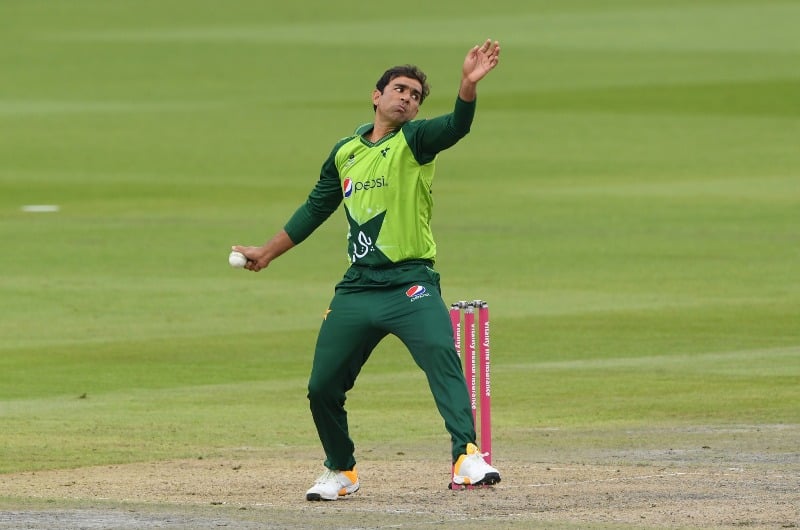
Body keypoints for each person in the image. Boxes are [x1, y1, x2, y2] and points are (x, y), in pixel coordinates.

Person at [232, 39, 501, 501]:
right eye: (399, 89)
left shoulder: (414, 143)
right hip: (358, 288)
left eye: (416, 96)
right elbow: (315, 208)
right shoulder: (344, 153)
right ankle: (341, 470)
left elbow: (457, 126)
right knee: (322, 386)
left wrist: (466, 87)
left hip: (411, 283)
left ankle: (467, 456)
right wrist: (268, 251)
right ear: (377, 96)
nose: (407, 99)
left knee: (441, 354)